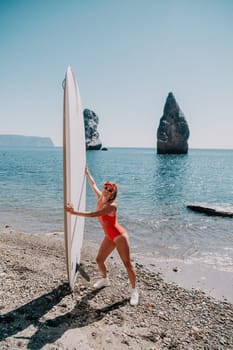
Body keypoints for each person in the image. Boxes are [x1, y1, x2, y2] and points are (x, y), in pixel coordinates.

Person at [65, 166, 139, 306]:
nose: (106, 190)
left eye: (110, 190)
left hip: (119, 236)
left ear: (112, 194)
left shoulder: (112, 206)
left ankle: (134, 290)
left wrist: (74, 212)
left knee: (127, 264)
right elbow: (92, 184)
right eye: (106, 187)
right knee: (99, 260)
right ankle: (105, 280)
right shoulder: (100, 198)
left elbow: (94, 214)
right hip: (109, 236)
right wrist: (87, 172)